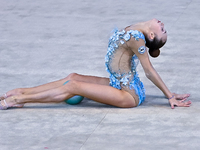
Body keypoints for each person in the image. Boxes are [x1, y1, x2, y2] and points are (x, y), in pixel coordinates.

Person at [0, 18, 191, 110]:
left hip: (129, 95)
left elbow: (149, 71)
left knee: (74, 87)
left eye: (162, 29)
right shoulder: (135, 28)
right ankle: (20, 91)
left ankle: (17, 100)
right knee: (73, 77)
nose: (162, 23)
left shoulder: (138, 38)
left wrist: (169, 96)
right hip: (118, 83)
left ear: (151, 36)